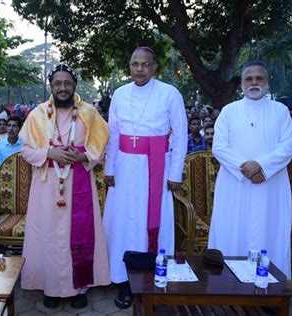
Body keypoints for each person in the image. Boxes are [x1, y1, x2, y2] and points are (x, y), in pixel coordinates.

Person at [19, 64, 110, 309]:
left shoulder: (89, 114)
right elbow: (26, 151)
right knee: (47, 236)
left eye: (67, 83)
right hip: (46, 185)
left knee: (78, 233)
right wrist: (50, 152)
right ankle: (50, 287)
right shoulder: (37, 114)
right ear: (51, 85)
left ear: (74, 86)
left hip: (79, 180)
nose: (62, 88)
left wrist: (83, 157)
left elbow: (100, 147)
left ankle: (79, 287)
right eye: (58, 83)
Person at [103, 47, 188, 309]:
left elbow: (180, 134)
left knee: (151, 223)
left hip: (156, 167)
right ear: (129, 66)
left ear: (154, 67)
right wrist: (110, 168)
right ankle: (123, 281)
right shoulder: (119, 93)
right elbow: (113, 134)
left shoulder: (169, 93)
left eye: (145, 65)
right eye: (134, 64)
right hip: (126, 167)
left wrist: (175, 172)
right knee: (124, 223)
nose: (139, 69)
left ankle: (153, 279)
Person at [208, 61, 292, 278]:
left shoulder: (280, 111)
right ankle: (228, 285)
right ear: (242, 83)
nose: (254, 82)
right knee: (232, 231)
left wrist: (263, 167)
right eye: (249, 78)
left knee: (270, 233)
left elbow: (287, 146)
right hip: (234, 183)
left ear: (267, 82)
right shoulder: (229, 111)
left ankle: (271, 289)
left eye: (259, 78)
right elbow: (219, 146)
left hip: (270, 185)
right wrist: (245, 168)